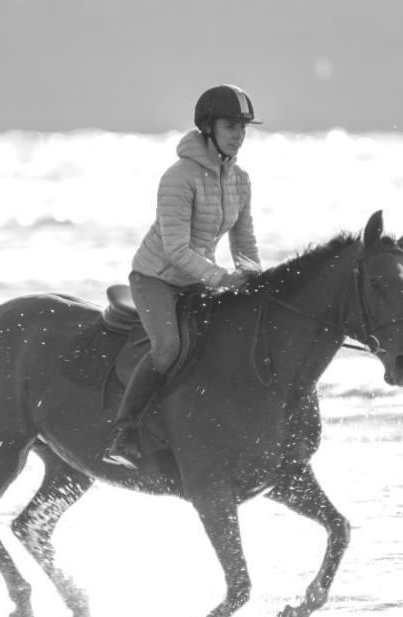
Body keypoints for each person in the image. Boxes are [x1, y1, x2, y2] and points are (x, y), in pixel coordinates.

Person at [101, 84, 264, 470]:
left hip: (197, 279)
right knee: (168, 348)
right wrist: (221, 279)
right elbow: (175, 249)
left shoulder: (239, 179)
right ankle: (124, 433)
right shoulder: (179, 177)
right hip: (156, 278)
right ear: (208, 128)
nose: (239, 135)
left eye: (243, 127)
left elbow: (244, 241)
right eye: (231, 126)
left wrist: (255, 278)